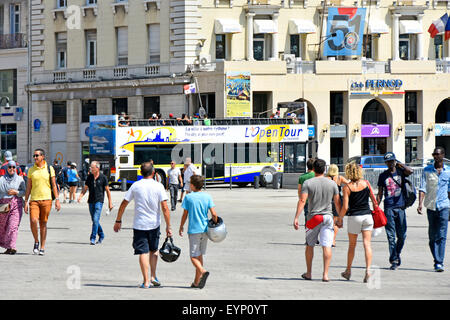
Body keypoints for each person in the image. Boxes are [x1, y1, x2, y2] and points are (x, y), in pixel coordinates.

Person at [113, 162, 172, 288]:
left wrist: (118, 220)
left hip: (139, 225)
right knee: (153, 250)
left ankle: (146, 282)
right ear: (154, 173)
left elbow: (124, 203)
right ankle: (153, 276)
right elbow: (165, 208)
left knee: (143, 252)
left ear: (140, 173)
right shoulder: (159, 186)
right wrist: (168, 226)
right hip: (154, 224)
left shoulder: (136, 186)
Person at [293, 159, 341, 282]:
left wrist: (296, 217)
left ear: (313, 169)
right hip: (328, 218)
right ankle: (325, 274)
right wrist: (340, 218)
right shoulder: (332, 183)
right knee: (327, 246)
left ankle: (309, 273)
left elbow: (302, 201)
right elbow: (337, 202)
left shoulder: (308, 183)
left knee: (310, 245)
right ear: (324, 169)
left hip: (313, 218)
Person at [339, 161, 377, 283]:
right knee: (367, 244)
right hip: (367, 216)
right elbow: (374, 200)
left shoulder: (347, 187)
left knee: (352, 245)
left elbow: (345, 207)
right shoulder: (366, 183)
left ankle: (348, 271)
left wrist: (339, 219)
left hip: (354, 217)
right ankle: (368, 271)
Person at [179, 175, 218, 289]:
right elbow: (214, 214)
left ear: (192, 185)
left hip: (194, 230)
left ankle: (202, 271)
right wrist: (215, 223)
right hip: (205, 230)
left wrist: (181, 226)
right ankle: (196, 282)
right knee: (199, 255)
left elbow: (185, 214)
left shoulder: (188, 197)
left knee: (193, 256)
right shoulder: (207, 196)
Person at [377, 152, 413, 270]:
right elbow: (380, 193)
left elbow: (410, 171)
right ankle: (394, 259)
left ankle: (396, 253)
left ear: (395, 161)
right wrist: (376, 207)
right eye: (388, 162)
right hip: (389, 208)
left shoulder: (401, 172)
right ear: (386, 163)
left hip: (401, 207)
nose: (390, 164)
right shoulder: (383, 176)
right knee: (391, 236)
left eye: (392, 161)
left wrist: (400, 164)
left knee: (402, 235)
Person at [418, 147, 450, 272]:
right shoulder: (427, 170)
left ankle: (439, 262)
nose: (435, 156)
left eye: (437, 154)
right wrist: (420, 204)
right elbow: (422, 188)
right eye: (434, 154)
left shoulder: (448, 171)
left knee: (442, 236)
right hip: (431, 206)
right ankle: (436, 258)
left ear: (443, 155)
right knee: (432, 237)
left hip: (444, 206)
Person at [24, 149, 60, 256]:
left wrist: (57, 200)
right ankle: (36, 241)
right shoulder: (31, 170)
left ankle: (42, 247)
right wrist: (25, 201)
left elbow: (54, 185)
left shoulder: (49, 168)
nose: (35, 157)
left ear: (42, 156)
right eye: (34, 155)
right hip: (34, 200)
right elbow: (29, 187)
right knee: (34, 220)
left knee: (43, 223)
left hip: (47, 199)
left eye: (37, 156)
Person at [78, 161, 113, 245]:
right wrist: (80, 196)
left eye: (92, 167)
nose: (90, 169)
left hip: (99, 201)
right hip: (90, 201)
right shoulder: (89, 177)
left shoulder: (103, 177)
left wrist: (110, 203)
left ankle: (93, 238)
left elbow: (108, 191)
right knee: (94, 220)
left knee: (95, 219)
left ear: (97, 168)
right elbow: (85, 188)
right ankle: (101, 234)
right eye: (90, 167)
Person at [0, 161, 26, 254]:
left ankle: (12, 246)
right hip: (3, 206)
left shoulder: (20, 179)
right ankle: (8, 247)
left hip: (16, 205)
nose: (12, 169)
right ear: (7, 168)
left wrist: (16, 192)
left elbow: (24, 191)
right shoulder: (2, 179)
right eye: (10, 167)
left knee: (13, 226)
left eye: (14, 167)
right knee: (4, 227)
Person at [327, 164, 350, 247]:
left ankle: (328, 238)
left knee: (328, 221)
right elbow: (349, 183)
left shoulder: (326, 178)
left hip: (327, 201)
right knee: (336, 221)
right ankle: (333, 240)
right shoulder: (340, 178)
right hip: (337, 200)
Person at [298, 158, 315, 226]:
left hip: (306, 201)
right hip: (316, 201)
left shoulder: (302, 177)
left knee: (307, 216)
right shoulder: (316, 176)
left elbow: (299, 190)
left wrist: (301, 199)